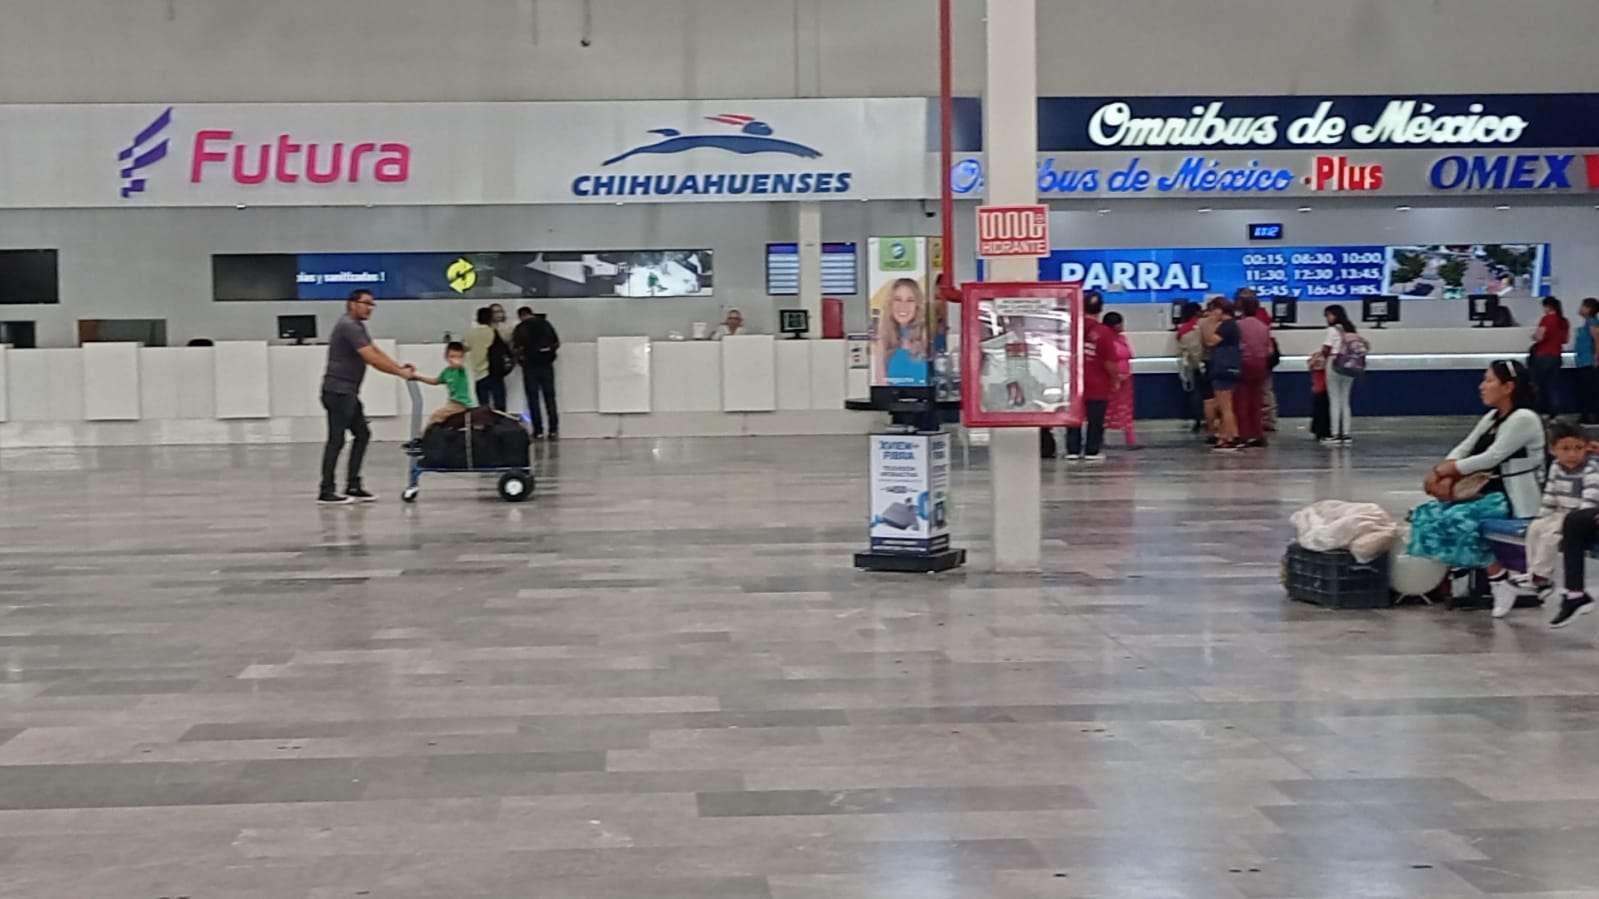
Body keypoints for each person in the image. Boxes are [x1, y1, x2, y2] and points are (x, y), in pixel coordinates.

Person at [1408, 361, 1545, 608]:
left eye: (1489, 380)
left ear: (1508, 387)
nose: (1482, 386)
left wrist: (1447, 470)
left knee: (1456, 521)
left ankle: (1497, 577)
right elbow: (1465, 447)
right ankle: (1474, 574)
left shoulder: (1524, 418)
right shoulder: (1492, 417)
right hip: (1482, 493)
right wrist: (1445, 474)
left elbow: (1492, 457)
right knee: (1425, 516)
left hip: (1508, 498)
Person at [317, 289, 418, 505]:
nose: (370, 308)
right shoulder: (348, 326)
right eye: (366, 303)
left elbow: (375, 350)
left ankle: (353, 485)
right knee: (336, 440)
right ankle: (326, 490)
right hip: (338, 392)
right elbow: (371, 358)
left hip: (348, 392)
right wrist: (399, 373)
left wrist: (398, 367)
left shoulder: (357, 326)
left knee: (362, 434)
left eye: (372, 304)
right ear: (352, 304)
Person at [1503, 420, 1599, 617]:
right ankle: (1533, 573)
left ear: (1586, 448)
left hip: (1577, 516)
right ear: (1553, 450)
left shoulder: (1590, 469)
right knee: (1536, 529)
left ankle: (1542, 577)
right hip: (1560, 512)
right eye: (1565, 449)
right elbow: (1550, 494)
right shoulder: (1556, 467)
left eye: (1578, 448)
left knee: (1550, 536)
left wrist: (1579, 521)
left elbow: (1591, 498)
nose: (1572, 454)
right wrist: (1543, 516)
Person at [1065, 290, 1119, 463]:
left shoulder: (1071, 328)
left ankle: (1072, 449)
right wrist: (1115, 379)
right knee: (1096, 418)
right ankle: (1092, 450)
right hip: (1098, 382)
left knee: (1074, 416)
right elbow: (1109, 361)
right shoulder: (1104, 332)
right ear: (1101, 309)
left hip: (1072, 380)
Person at [512, 305, 561, 440]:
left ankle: (538, 431)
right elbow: (556, 343)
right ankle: (553, 430)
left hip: (530, 368)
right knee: (550, 399)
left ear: (521, 316)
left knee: (533, 400)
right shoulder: (546, 324)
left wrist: (521, 360)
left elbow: (516, 348)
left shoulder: (521, 328)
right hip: (546, 366)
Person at [1203, 297, 1242, 452]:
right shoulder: (1233, 325)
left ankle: (1229, 438)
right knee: (1226, 405)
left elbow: (1210, 341)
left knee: (1225, 406)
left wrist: (1210, 324)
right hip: (1231, 367)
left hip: (1223, 368)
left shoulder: (1226, 326)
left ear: (1220, 310)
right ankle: (1229, 435)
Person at [1234, 295, 1273, 448]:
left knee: (1241, 401)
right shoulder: (1263, 326)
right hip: (1261, 365)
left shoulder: (1238, 325)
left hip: (1244, 364)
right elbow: (1269, 350)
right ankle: (1258, 434)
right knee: (1256, 401)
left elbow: (1237, 346)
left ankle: (1243, 434)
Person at [875, 279, 928, 385]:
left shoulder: (927, 336)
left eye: (910, 300)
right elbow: (881, 384)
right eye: (897, 299)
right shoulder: (884, 339)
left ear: (917, 305)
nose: (903, 306)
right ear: (890, 304)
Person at [412, 341, 475, 425]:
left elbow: (458, 365)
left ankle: (428, 433)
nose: (455, 360)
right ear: (446, 357)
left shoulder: (461, 370)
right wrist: (418, 377)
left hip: (461, 404)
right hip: (451, 402)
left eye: (459, 357)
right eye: (452, 356)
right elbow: (436, 381)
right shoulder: (447, 371)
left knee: (435, 417)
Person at [1322, 305, 1359, 445]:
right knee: (1345, 399)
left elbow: (1326, 348)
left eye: (1328, 315)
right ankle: (1346, 434)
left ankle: (1335, 434)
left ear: (1335, 315)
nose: (1327, 318)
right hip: (1350, 364)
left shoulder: (1332, 330)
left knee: (1334, 399)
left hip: (1334, 362)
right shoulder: (1351, 330)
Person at [1102, 312, 1138, 450]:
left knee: (1126, 409)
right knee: (1107, 409)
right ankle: (1098, 438)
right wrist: (1115, 376)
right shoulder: (1105, 340)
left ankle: (1130, 439)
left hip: (1126, 380)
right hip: (1110, 380)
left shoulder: (1122, 338)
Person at [1530, 296, 1569, 416]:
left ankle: (1539, 412)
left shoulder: (1546, 319)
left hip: (1543, 356)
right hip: (1556, 356)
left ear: (1548, 306)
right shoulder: (1563, 321)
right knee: (1553, 387)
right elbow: (1565, 340)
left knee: (1538, 386)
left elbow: (1539, 337)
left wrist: (1533, 336)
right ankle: (1554, 414)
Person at [464, 306, 508, 411]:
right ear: (490, 318)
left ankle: (485, 421)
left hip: (479, 374)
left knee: (483, 407)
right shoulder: (493, 332)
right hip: (493, 372)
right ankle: (500, 421)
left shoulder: (470, 333)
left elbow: (465, 347)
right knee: (500, 405)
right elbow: (504, 348)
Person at [1174, 301, 1206, 434]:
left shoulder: (1183, 329)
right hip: (1204, 363)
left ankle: (1197, 419)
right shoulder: (1201, 326)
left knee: (1195, 393)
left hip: (1190, 365)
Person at [1574, 298, 1599, 423]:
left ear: (1589, 309)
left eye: (1582, 306)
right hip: (1583, 361)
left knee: (1589, 390)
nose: (1580, 308)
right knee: (1585, 390)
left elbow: (1597, 341)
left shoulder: (1592, 323)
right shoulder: (1587, 323)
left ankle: (1591, 416)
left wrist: (1596, 358)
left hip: (1589, 362)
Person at [1308, 347, 1331, 442]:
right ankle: (1324, 431)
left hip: (1317, 390)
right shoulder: (1327, 365)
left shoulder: (1314, 365)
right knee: (1324, 412)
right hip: (1325, 390)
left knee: (1318, 412)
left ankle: (1317, 430)